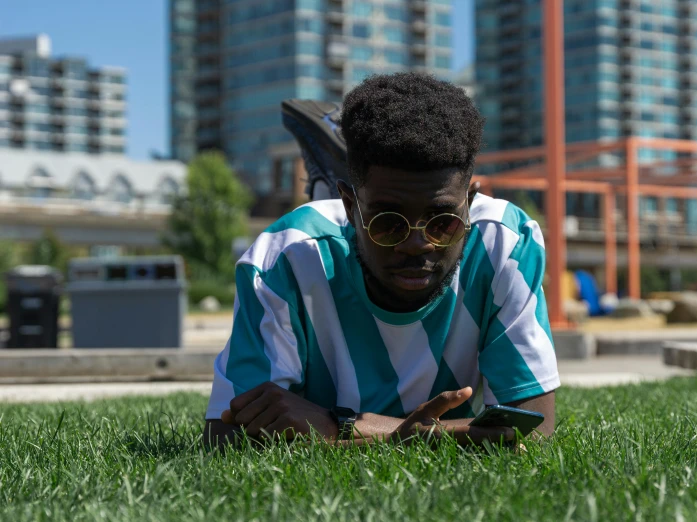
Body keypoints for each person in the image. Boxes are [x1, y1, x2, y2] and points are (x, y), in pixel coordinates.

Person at [204, 73, 560, 447]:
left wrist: (346, 426)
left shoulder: (505, 243)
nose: (416, 245)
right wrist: (448, 435)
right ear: (348, 206)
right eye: (388, 223)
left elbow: (532, 430)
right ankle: (329, 179)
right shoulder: (283, 257)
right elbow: (225, 435)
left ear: (469, 204)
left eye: (443, 222)